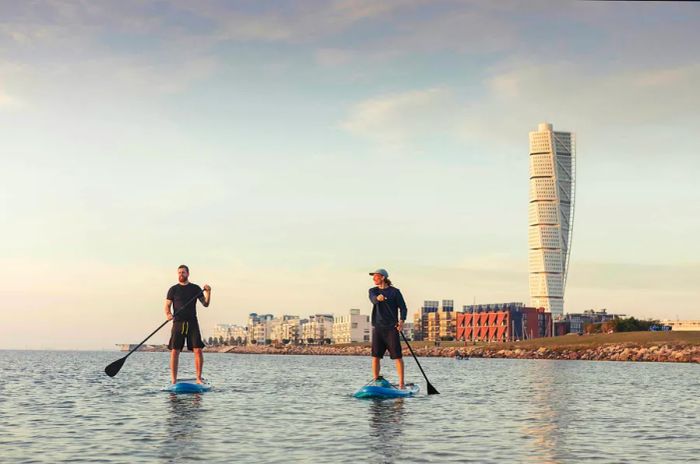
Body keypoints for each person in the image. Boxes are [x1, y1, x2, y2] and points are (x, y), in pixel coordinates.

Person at [164, 265, 211, 384]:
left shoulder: (195, 288)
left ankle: (199, 378)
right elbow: (167, 306)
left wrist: (208, 292)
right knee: (175, 350)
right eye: (179, 272)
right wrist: (168, 314)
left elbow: (205, 304)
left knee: (198, 350)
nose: (181, 274)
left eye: (183, 272)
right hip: (178, 322)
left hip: (192, 322)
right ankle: (173, 380)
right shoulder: (173, 289)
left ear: (188, 274)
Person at [368, 268, 408, 389]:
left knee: (397, 357)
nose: (373, 278)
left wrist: (401, 321)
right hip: (378, 327)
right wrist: (377, 299)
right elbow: (373, 299)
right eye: (373, 277)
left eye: (376, 276)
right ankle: (376, 381)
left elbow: (403, 307)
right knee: (375, 356)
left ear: (383, 277)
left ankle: (401, 384)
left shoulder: (395, 292)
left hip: (392, 328)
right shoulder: (373, 291)